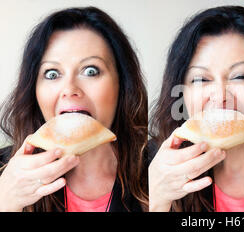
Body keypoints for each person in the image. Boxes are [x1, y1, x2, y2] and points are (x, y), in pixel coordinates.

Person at [148, 5, 244, 212]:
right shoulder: (149, 165)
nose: (220, 97)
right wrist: (158, 201)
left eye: (240, 76)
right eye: (201, 79)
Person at [0, 7, 148, 212]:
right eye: (52, 74)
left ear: (122, 85)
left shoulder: (160, 168)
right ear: (33, 90)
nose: (70, 89)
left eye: (90, 71)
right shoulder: (4, 176)